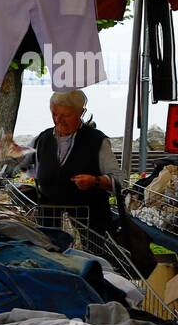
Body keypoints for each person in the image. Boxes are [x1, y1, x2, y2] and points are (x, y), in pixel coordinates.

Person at [30, 89, 120, 232]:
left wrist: (95, 180)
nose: (58, 120)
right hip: (49, 225)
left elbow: (120, 181)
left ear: (81, 113)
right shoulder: (43, 139)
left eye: (66, 115)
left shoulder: (97, 141)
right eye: (54, 113)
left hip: (90, 227)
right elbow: (25, 166)